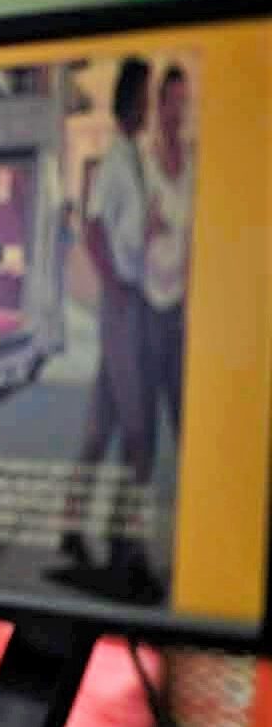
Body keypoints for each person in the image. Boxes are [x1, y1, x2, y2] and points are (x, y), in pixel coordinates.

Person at [59, 57, 161, 604]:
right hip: (124, 306)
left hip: (133, 302)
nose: (150, 106)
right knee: (139, 436)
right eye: (145, 95)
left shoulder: (134, 159)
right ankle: (127, 551)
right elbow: (93, 226)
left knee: (101, 428)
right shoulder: (120, 161)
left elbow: (118, 228)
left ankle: (72, 527)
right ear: (131, 100)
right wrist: (117, 288)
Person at [142, 64, 191, 449]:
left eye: (183, 102)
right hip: (146, 304)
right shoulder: (142, 160)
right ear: (158, 105)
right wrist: (146, 225)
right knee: (144, 421)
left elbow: (196, 235)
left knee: (181, 411)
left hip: (178, 306)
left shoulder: (194, 162)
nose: (178, 111)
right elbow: (125, 235)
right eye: (172, 102)